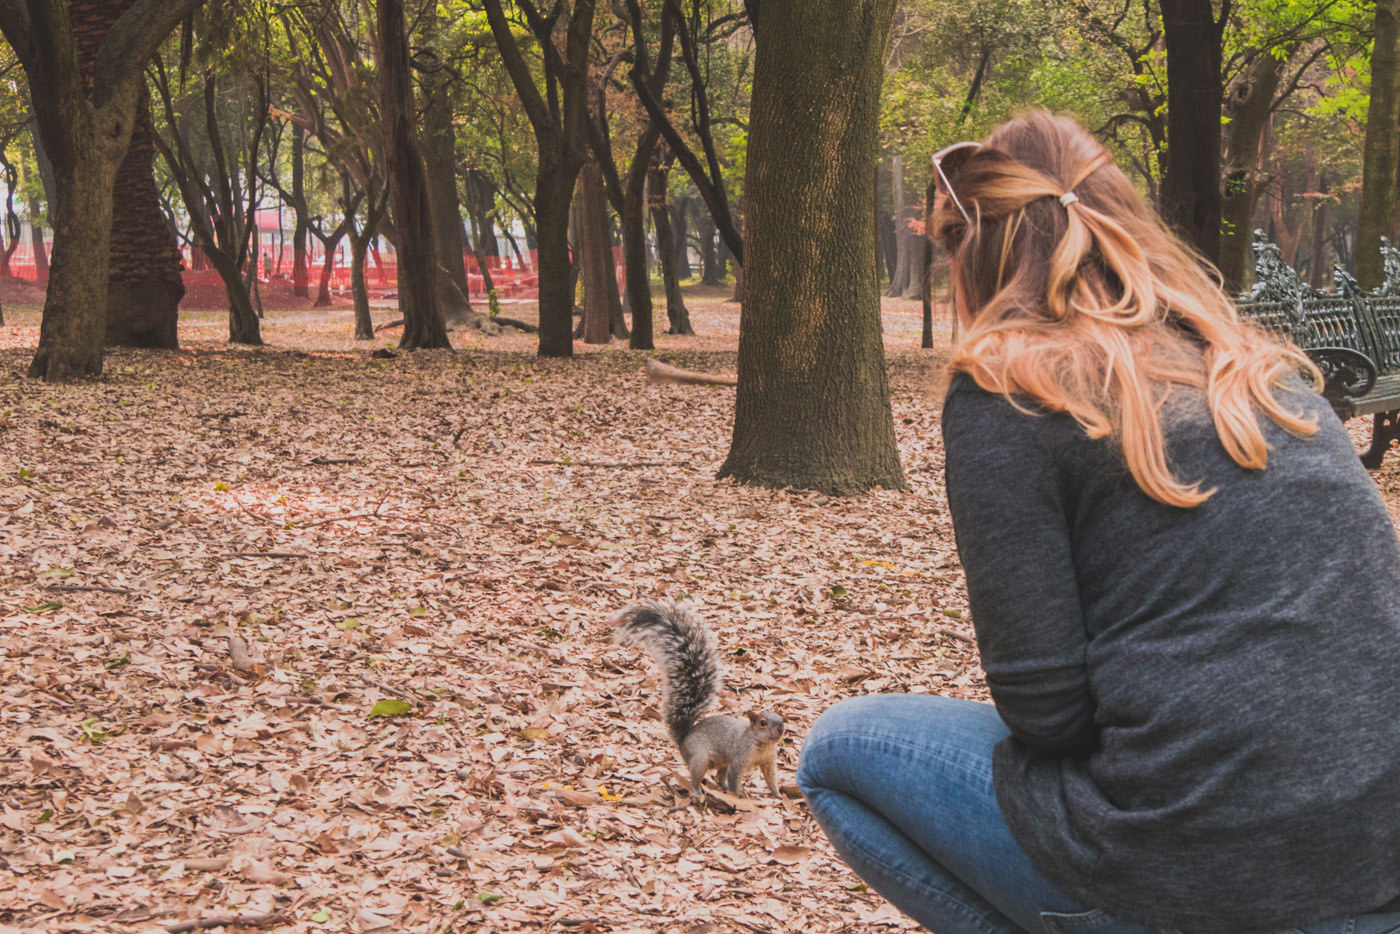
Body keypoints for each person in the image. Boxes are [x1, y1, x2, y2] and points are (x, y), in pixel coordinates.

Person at [796, 111, 1400, 934]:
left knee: (837, 750)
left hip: (1195, 862)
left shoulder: (1011, 388)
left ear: (974, 251)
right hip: (1374, 861)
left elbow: (1044, 709)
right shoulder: (1266, 374)